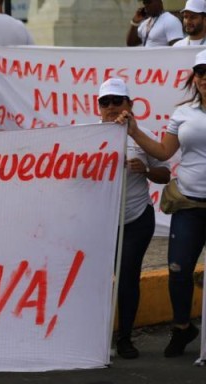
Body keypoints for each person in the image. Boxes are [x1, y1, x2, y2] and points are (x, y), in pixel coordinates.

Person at [115, 49, 206, 358]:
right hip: (189, 205)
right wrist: (135, 131)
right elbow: (164, 153)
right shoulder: (183, 113)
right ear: (195, 77)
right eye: (201, 71)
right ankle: (182, 328)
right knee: (178, 270)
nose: (205, 77)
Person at [97, 78, 170, 359]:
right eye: (106, 102)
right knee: (97, 279)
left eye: (118, 101)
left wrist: (146, 170)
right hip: (99, 221)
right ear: (99, 107)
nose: (112, 107)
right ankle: (96, 336)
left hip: (136, 219)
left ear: (130, 105)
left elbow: (164, 174)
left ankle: (125, 337)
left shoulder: (144, 134)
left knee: (127, 278)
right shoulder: (84, 135)